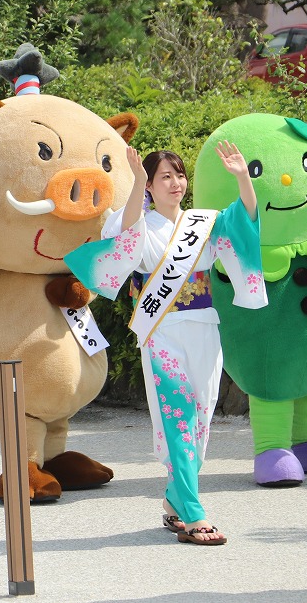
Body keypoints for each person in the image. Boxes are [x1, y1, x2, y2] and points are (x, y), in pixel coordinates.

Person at [65, 142, 264, 545]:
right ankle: (193, 514)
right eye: (164, 177)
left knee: (202, 419)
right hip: (162, 334)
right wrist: (136, 180)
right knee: (177, 417)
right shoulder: (140, 223)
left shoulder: (202, 224)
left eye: (179, 175)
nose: (175, 183)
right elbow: (123, 236)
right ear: (151, 186)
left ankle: (176, 497)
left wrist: (243, 177)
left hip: (206, 328)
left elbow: (244, 221)